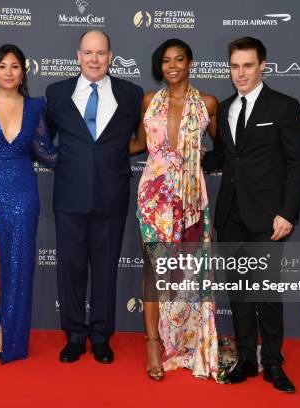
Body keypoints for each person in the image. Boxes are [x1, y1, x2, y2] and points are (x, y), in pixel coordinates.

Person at [202, 37, 300, 393]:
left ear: (263, 65)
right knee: (238, 291)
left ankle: (274, 363)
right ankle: (247, 358)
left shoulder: (283, 106)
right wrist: (188, 155)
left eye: (248, 65)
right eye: (235, 66)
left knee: (265, 292)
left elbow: (297, 163)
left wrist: (287, 213)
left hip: (268, 217)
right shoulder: (227, 107)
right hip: (230, 215)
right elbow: (223, 156)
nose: (241, 73)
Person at [46, 30, 143, 364]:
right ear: (78, 56)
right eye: (88, 53)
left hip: (111, 195)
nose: (94, 59)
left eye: (100, 53)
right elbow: (43, 141)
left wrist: (113, 156)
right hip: (69, 196)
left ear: (110, 56)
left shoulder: (131, 94)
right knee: (70, 269)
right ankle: (74, 335)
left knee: (105, 270)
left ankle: (101, 336)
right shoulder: (56, 93)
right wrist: (69, 163)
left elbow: (143, 139)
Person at [130, 39, 221, 381]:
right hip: (153, 196)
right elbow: (139, 144)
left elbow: (224, 147)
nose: (172, 66)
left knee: (189, 273)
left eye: (178, 59)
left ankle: (188, 344)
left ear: (190, 62)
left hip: (191, 199)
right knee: (154, 270)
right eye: (166, 60)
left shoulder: (207, 103)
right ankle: (153, 344)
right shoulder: (149, 101)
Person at [0, 44, 56, 364]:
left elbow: (45, 152)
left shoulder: (34, 108)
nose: (8, 72)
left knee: (18, 267)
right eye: (2, 66)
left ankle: (7, 336)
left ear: (23, 72)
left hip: (23, 191)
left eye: (15, 66)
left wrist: (90, 155)